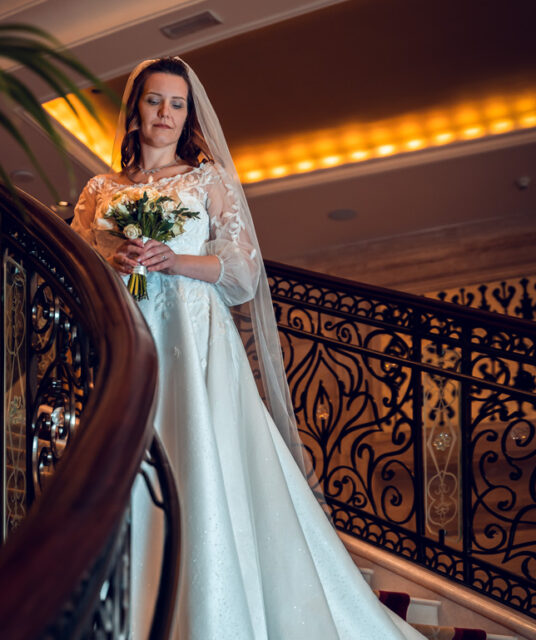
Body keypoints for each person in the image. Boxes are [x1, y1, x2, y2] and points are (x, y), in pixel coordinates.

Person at [72, 57, 424, 640]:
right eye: (155, 101)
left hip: (194, 336)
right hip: (127, 336)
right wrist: (113, 258)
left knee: (203, 455)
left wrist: (175, 259)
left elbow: (241, 272)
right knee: (132, 459)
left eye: (177, 104)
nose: (165, 113)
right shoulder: (99, 191)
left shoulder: (207, 179)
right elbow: (79, 267)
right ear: (135, 110)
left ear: (188, 115)